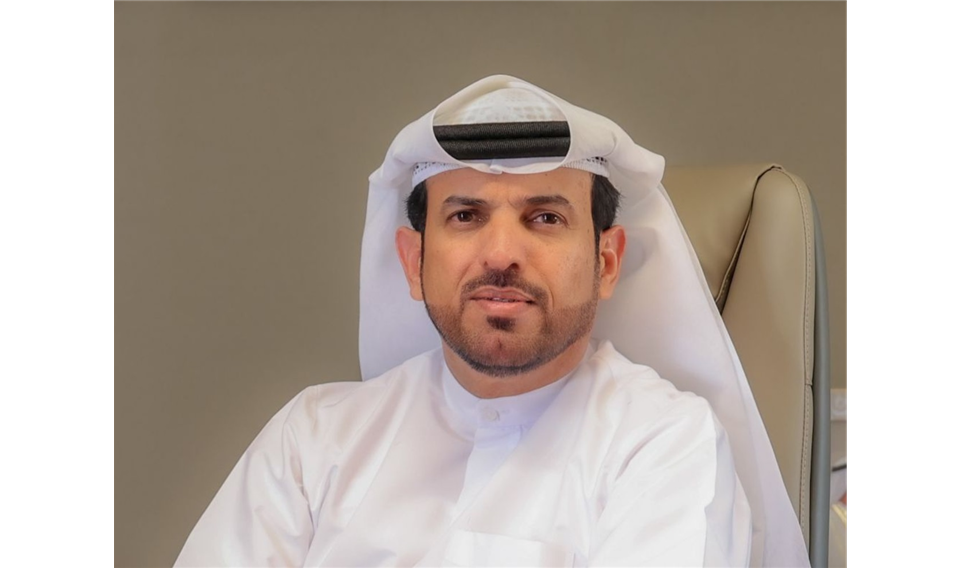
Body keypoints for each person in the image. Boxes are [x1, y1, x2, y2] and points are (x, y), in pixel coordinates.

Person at [175, 75, 808, 567]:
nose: (501, 253)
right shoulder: (313, 441)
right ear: (414, 262)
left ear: (607, 262)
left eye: (545, 218)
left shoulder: (662, 445)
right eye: (466, 216)